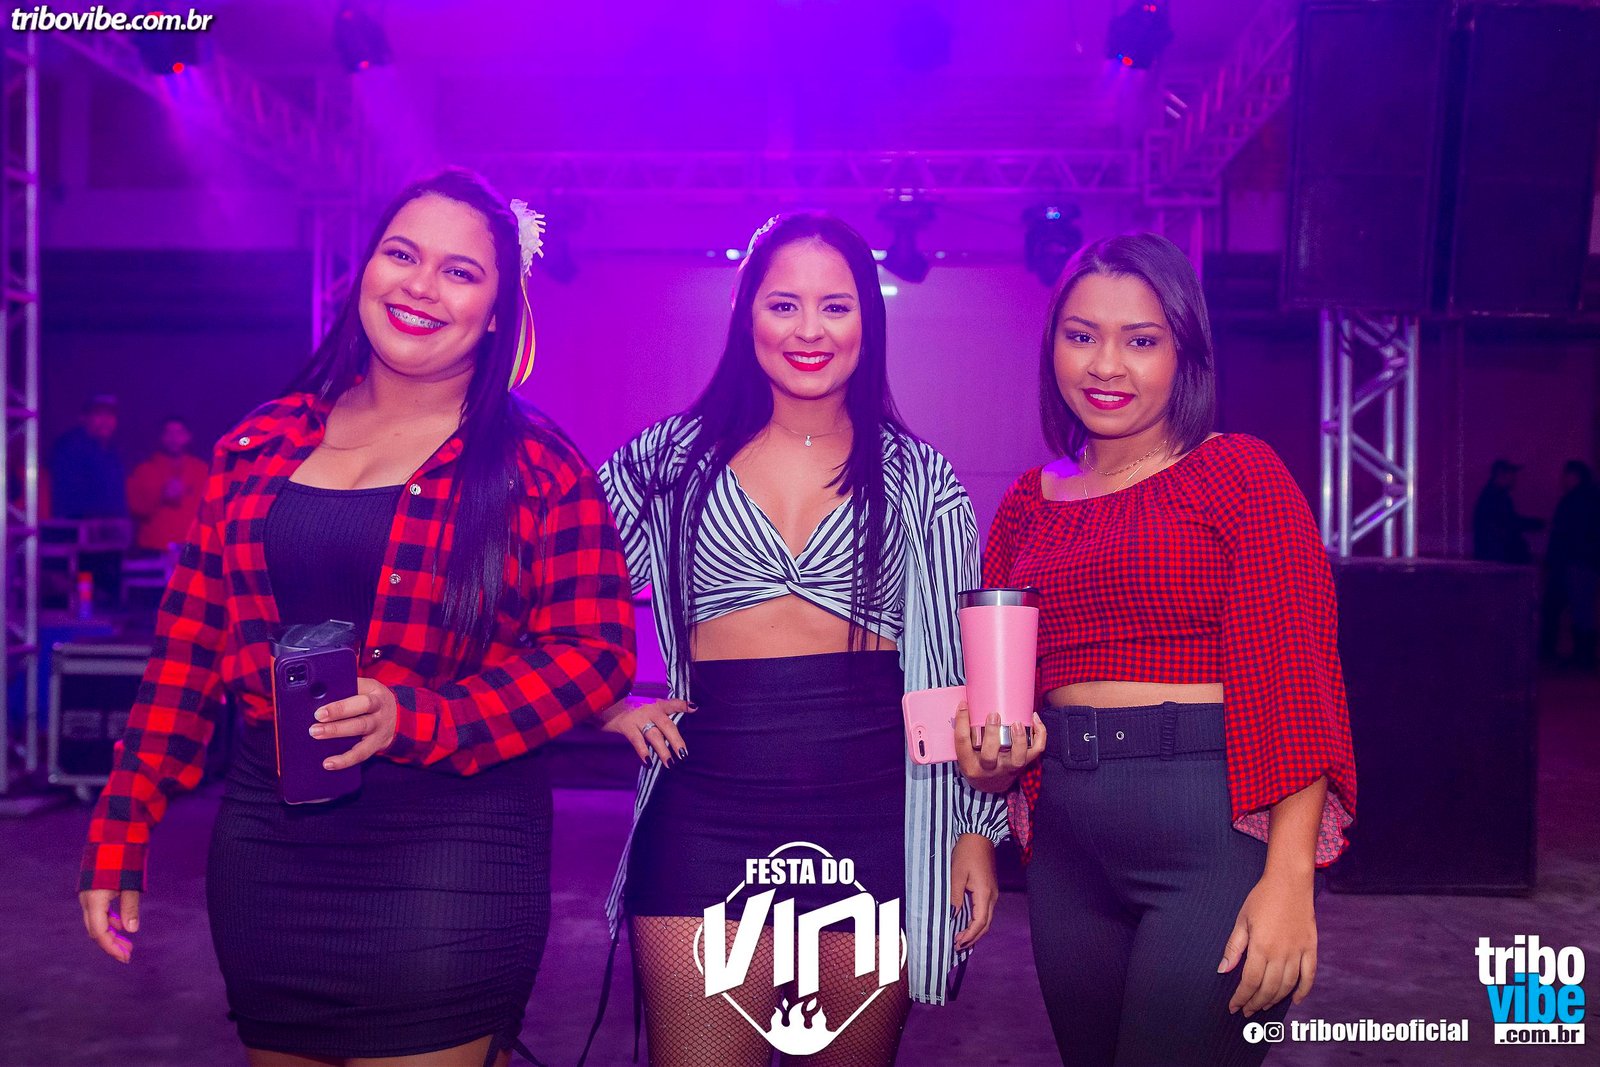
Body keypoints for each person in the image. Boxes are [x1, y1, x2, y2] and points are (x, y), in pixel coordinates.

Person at [77, 168, 636, 1067]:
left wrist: (421, 714)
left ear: (499, 311)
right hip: (271, 848)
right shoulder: (258, 445)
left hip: (452, 849)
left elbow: (594, 653)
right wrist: (122, 822)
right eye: (402, 255)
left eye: (460, 272)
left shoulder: (539, 463)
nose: (422, 286)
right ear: (365, 269)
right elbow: (186, 651)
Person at [596, 213, 1007, 1066]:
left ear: (868, 321)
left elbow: (952, 679)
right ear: (747, 313)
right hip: (702, 821)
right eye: (784, 304)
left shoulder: (920, 478)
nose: (809, 330)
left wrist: (973, 827)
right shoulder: (670, 461)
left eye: (836, 306)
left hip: (874, 826)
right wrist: (606, 703)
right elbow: (554, 591)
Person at [957, 233, 1357, 1067]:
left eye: (1140, 340)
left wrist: (1290, 880)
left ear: (1185, 353)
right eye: (1081, 335)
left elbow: (1298, 685)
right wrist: (985, 762)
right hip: (1066, 848)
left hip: (1211, 832)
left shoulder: (1240, 474)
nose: (1106, 365)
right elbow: (1001, 708)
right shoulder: (1027, 504)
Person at [1542, 460, 1600, 670]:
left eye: (1567, 475)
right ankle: (1584, 656)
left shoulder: (1574, 501)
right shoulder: (1589, 499)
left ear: (1575, 476)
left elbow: (1566, 534)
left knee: (1578, 608)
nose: (1563, 479)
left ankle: (1583, 658)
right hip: (1584, 561)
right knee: (1582, 608)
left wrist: (1555, 559)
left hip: (1575, 561)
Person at [126, 415, 208, 551]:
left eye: (179, 433)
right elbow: (134, 508)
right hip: (154, 547)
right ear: (161, 437)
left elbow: (210, 510)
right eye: (168, 433)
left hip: (191, 547)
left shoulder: (201, 470)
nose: (174, 438)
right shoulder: (144, 470)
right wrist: (160, 496)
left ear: (188, 437)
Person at [48, 393, 127, 520]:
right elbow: (67, 498)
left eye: (110, 415)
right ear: (84, 417)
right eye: (99, 414)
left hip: (107, 526)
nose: (106, 421)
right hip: (77, 527)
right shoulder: (70, 448)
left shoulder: (113, 452)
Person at [1472, 459, 1543, 564]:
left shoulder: (1493, 494)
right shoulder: (1496, 497)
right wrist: (1537, 524)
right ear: (1501, 474)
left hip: (1492, 555)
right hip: (1497, 556)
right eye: (1511, 474)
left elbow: (1507, 522)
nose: (1514, 478)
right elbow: (1509, 523)